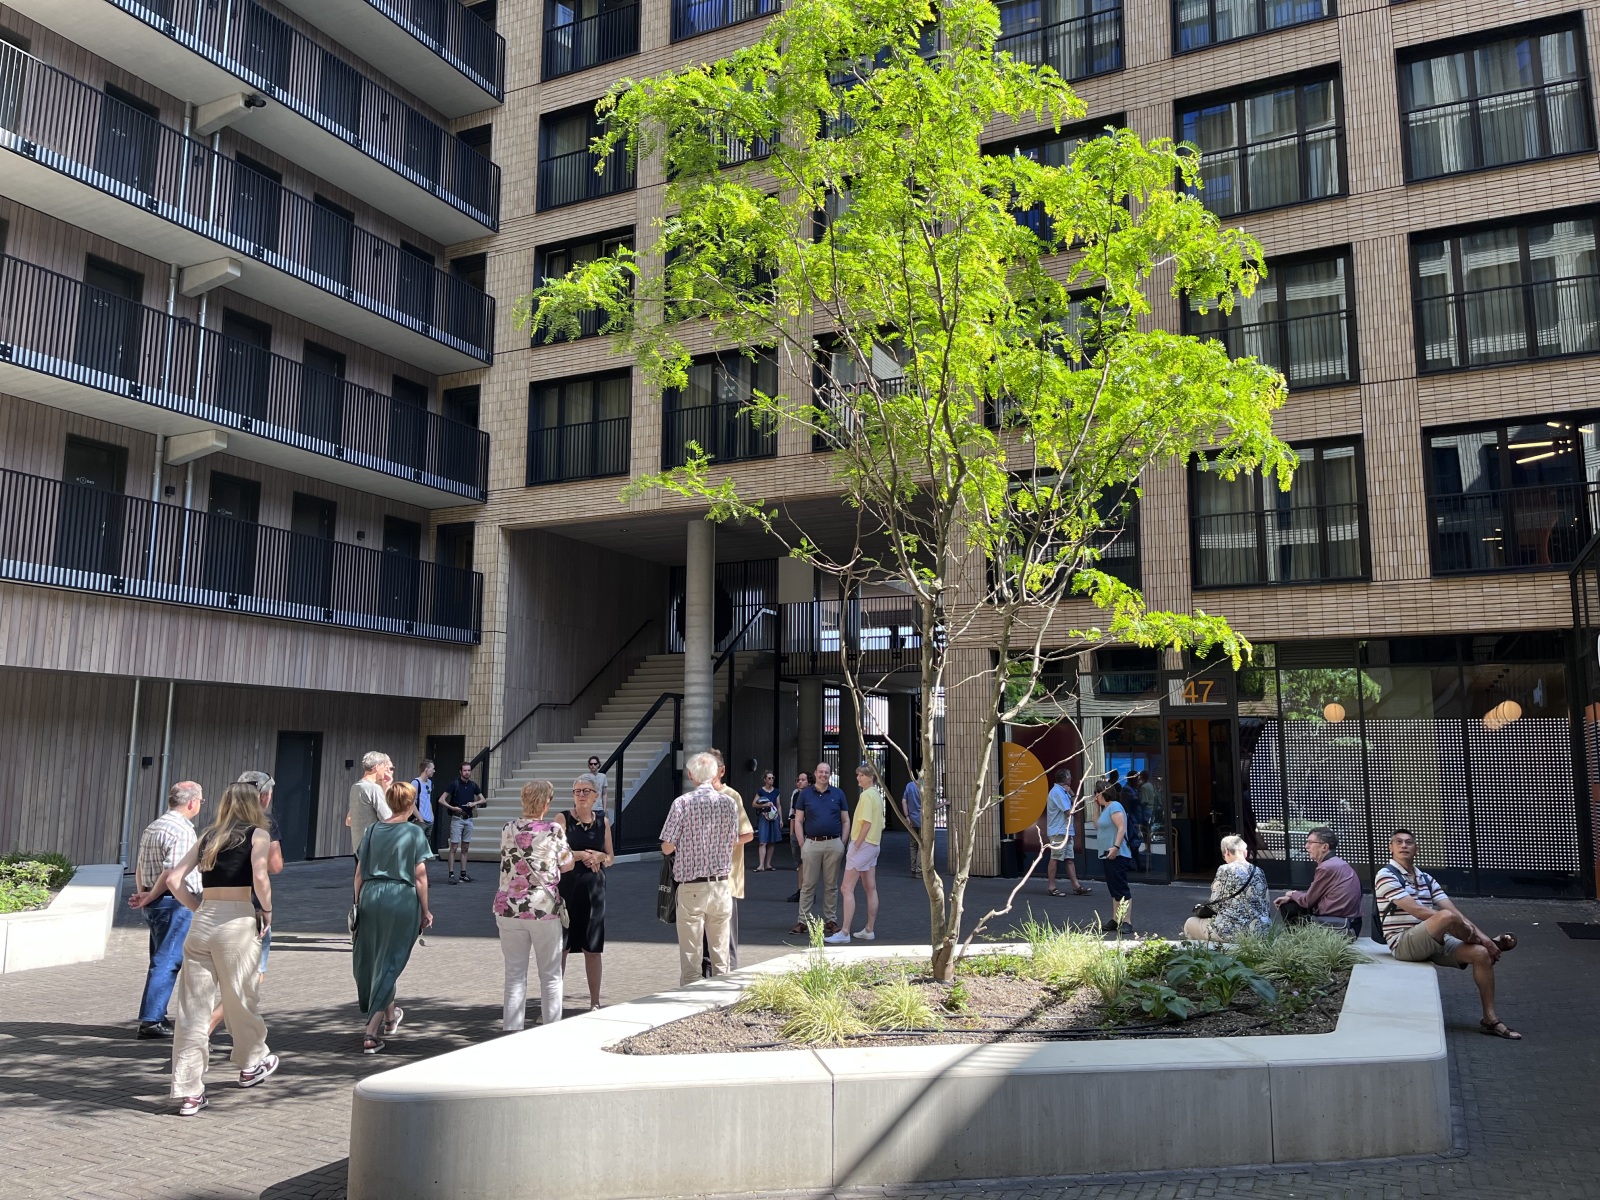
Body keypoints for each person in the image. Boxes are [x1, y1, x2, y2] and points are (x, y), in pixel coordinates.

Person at [132, 782, 279, 1117]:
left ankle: (188, 1091)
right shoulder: (257, 835)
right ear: (254, 804)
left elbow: (174, 879)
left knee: (192, 1009)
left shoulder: (208, 836)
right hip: (236, 920)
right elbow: (260, 878)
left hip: (203, 922)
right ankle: (251, 1062)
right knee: (240, 997)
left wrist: (197, 908)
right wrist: (267, 911)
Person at [1376, 829, 1521, 1040]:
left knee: (1481, 953)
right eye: (1398, 842)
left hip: (1434, 940)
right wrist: (1453, 922)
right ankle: (1489, 942)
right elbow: (1418, 911)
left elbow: (1455, 912)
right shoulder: (1386, 875)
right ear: (1390, 847)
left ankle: (1490, 1020)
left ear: (1416, 849)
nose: (1404, 845)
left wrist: (1483, 940)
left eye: (1409, 842)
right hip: (1404, 942)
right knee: (1445, 917)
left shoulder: (1426, 878)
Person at [351, 781, 434, 1054]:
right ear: (410, 804)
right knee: (391, 960)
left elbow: (359, 874)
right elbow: (420, 877)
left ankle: (390, 1017)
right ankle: (370, 1033)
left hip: (370, 896)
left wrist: (357, 903)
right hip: (400, 898)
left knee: (376, 957)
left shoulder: (372, 830)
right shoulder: (414, 832)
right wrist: (425, 910)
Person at [494, 780, 574, 1030]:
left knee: (514, 975)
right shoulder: (553, 829)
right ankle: (551, 1030)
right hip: (542, 907)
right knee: (550, 975)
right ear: (546, 803)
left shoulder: (508, 828)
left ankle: (512, 1031)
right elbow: (567, 864)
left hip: (508, 906)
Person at [128, 781, 204, 1039]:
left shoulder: (154, 826)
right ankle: (151, 1020)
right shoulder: (182, 830)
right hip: (174, 901)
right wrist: (151, 895)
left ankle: (156, 1015)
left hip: (155, 900)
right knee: (168, 960)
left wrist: (144, 893)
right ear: (192, 802)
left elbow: (141, 865)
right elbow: (172, 872)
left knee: (160, 957)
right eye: (201, 801)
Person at [660, 751, 740, 987]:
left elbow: (667, 846)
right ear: (715, 774)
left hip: (691, 886)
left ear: (691, 775)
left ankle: (690, 1001)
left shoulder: (682, 803)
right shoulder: (728, 803)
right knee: (721, 956)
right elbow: (734, 839)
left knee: (691, 957)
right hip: (721, 884)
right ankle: (723, 1000)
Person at [554, 773, 613, 1010]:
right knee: (561, 948)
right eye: (577, 791)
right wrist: (583, 855)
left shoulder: (602, 822)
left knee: (593, 948)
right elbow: (556, 853)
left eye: (586, 791)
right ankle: (553, 1005)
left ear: (596, 796)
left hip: (594, 892)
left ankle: (595, 1003)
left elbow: (611, 857)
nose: (580, 795)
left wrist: (600, 857)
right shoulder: (563, 818)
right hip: (567, 891)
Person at [702, 749, 754, 973]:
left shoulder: (731, 796)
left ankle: (729, 974)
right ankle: (704, 975)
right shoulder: (697, 796)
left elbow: (747, 833)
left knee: (726, 933)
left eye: (710, 769)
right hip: (700, 878)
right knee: (702, 935)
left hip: (726, 878)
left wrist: (721, 844)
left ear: (721, 771)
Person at [827, 763, 884, 943]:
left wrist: (856, 844)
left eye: (862, 775)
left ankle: (844, 932)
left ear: (871, 777)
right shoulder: (876, 795)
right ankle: (869, 929)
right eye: (858, 774)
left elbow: (866, 823)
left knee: (846, 887)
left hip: (863, 845)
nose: (858, 778)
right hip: (873, 844)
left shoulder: (866, 796)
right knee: (870, 887)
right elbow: (879, 824)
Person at [790, 762, 849, 936]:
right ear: (815, 773)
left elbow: (846, 820)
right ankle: (803, 921)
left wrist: (842, 843)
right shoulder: (805, 794)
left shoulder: (838, 794)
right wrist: (802, 844)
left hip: (834, 843)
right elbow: (798, 820)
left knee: (831, 885)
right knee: (808, 885)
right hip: (811, 843)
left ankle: (831, 920)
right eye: (821, 772)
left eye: (827, 772)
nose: (824, 775)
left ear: (830, 775)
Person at [1275, 827, 1363, 934]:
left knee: (1289, 907)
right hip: (1351, 924)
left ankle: (1298, 941)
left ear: (1324, 847)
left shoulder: (1327, 867)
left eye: (1310, 842)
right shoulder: (1337, 863)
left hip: (1341, 926)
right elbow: (1312, 897)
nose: (1306, 846)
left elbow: (1308, 901)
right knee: (1293, 902)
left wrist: (1291, 894)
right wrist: (1294, 897)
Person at [1183, 835, 1270, 942]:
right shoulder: (1259, 871)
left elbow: (1215, 904)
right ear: (1245, 853)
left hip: (1232, 931)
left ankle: (1199, 952)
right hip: (1260, 931)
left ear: (1227, 851)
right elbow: (1265, 904)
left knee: (1190, 923)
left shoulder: (1225, 869)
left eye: (1223, 856)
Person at [1043, 768, 1089, 897]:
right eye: (1069, 777)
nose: (1071, 779)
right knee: (1055, 858)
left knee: (1069, 859)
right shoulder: (1058, 792)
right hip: (1059, 831)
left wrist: (1072, 793)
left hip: (1066, 831)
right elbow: (1070, 811)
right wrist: (1073, 796)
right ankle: (1052, 887)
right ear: (1065, 779)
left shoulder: (1064, 791)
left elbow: (1076, 807)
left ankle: (1076, 886)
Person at [438, 760, 485, 884]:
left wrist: (474, 803)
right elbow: (441, 800)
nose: (467, 772)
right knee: (453, 847)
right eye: (465, 770)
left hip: (469, 819)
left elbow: (483, 799)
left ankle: (463, 874)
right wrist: (452, 808)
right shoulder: (454, 784)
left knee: (465, 847)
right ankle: (451, 874)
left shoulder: (473, 785)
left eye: (469, 770)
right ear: (460, 772)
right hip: (457, 818)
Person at [1095, 781, 1132, 934]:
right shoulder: (1106, 809)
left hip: (1117, 853)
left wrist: (1116, 847)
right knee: (1114, 888)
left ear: (1102, 793)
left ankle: (1126, 921)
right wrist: (1096, 807)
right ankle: (1116, 919)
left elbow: (1121, 828)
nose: (1095, 796)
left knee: (1121, 888)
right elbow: (1097, 825)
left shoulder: (1115, 806)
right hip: (1107, 854)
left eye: (1096, 793)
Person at [347, 752, 394, 852]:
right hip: (373, 847)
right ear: (377, 767)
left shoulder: (355, 786)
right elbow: (387, 818)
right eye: (384, 766)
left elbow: (350, 820)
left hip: (358, 846)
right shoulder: (374, 788)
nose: (385, 770)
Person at [786, 771, 809, 903]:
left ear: (809, 782)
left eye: (803, 780)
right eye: (798, 780)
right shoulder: (795, 794)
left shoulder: (811, 795)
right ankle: (801, 890)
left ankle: (808, 892)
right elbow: (793, 814)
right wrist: (792, 833)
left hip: (808, 832)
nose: (800, 782)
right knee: (800, 864)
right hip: (797, 833)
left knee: (808, 863)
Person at [754, 771, 783, 871]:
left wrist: (781, 819)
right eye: (769, 778)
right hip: (764, 816)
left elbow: (778, 805)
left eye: (772, 778)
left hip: (774, 816)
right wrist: (764, 805)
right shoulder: (760, 791)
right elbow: (754, 804)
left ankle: (768, 864)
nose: (771, 780)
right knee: (763, 841)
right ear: (765, 780)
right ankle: (761, 865)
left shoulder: (776, 791)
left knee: (772, 841)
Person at [411, 760, 436, 845]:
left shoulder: (429, 782)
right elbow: (411, 803)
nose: (434, 771)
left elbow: (428, 799)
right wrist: (420, 818)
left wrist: (432, 816)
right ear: (426, 769)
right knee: (418, 844)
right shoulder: (415, 783)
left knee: (426, 844)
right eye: (432, 768)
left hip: (429, 819)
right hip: (420, 819)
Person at [903, 775, 923, 878]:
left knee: (913, 845)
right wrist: (945, 803)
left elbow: (904, 801)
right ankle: (919, 870)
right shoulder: (926, 786)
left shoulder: (909, 785)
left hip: (911, 819)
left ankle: (913, 869)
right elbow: (932, 805)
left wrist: (907, 816)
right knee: (922, 846)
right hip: (923, 820)